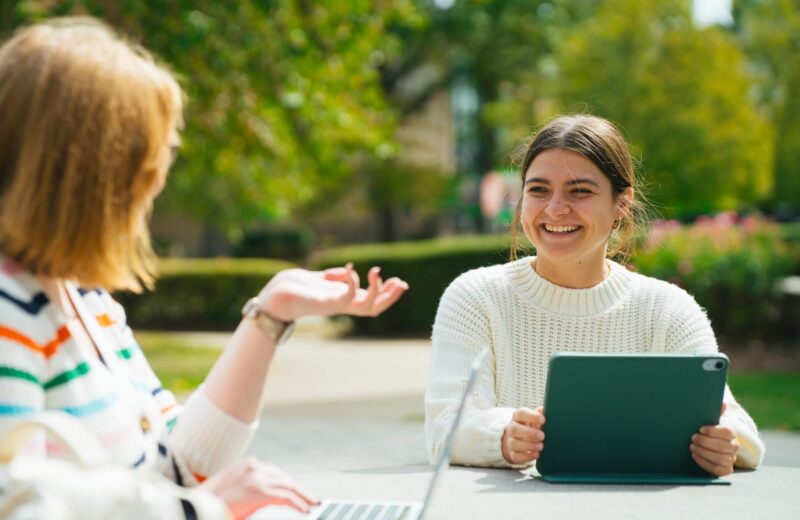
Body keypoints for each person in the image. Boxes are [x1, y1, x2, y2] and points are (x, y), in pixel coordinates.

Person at [0, 17, 408, 519]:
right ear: (96, 177)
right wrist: (199, 509)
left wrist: (272, 312)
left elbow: (179, 466)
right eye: (149, 165)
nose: (155, 186)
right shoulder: (9, 314)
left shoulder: (88, 302)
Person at [425, 115, 764, 475]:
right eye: (538, 189)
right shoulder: (474, 298)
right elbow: (446, 426)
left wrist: (724, 443)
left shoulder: (670, 310)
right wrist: (505, 436)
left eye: (580, 191)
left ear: (622, 203)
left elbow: (736, 427)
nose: (555, 208)